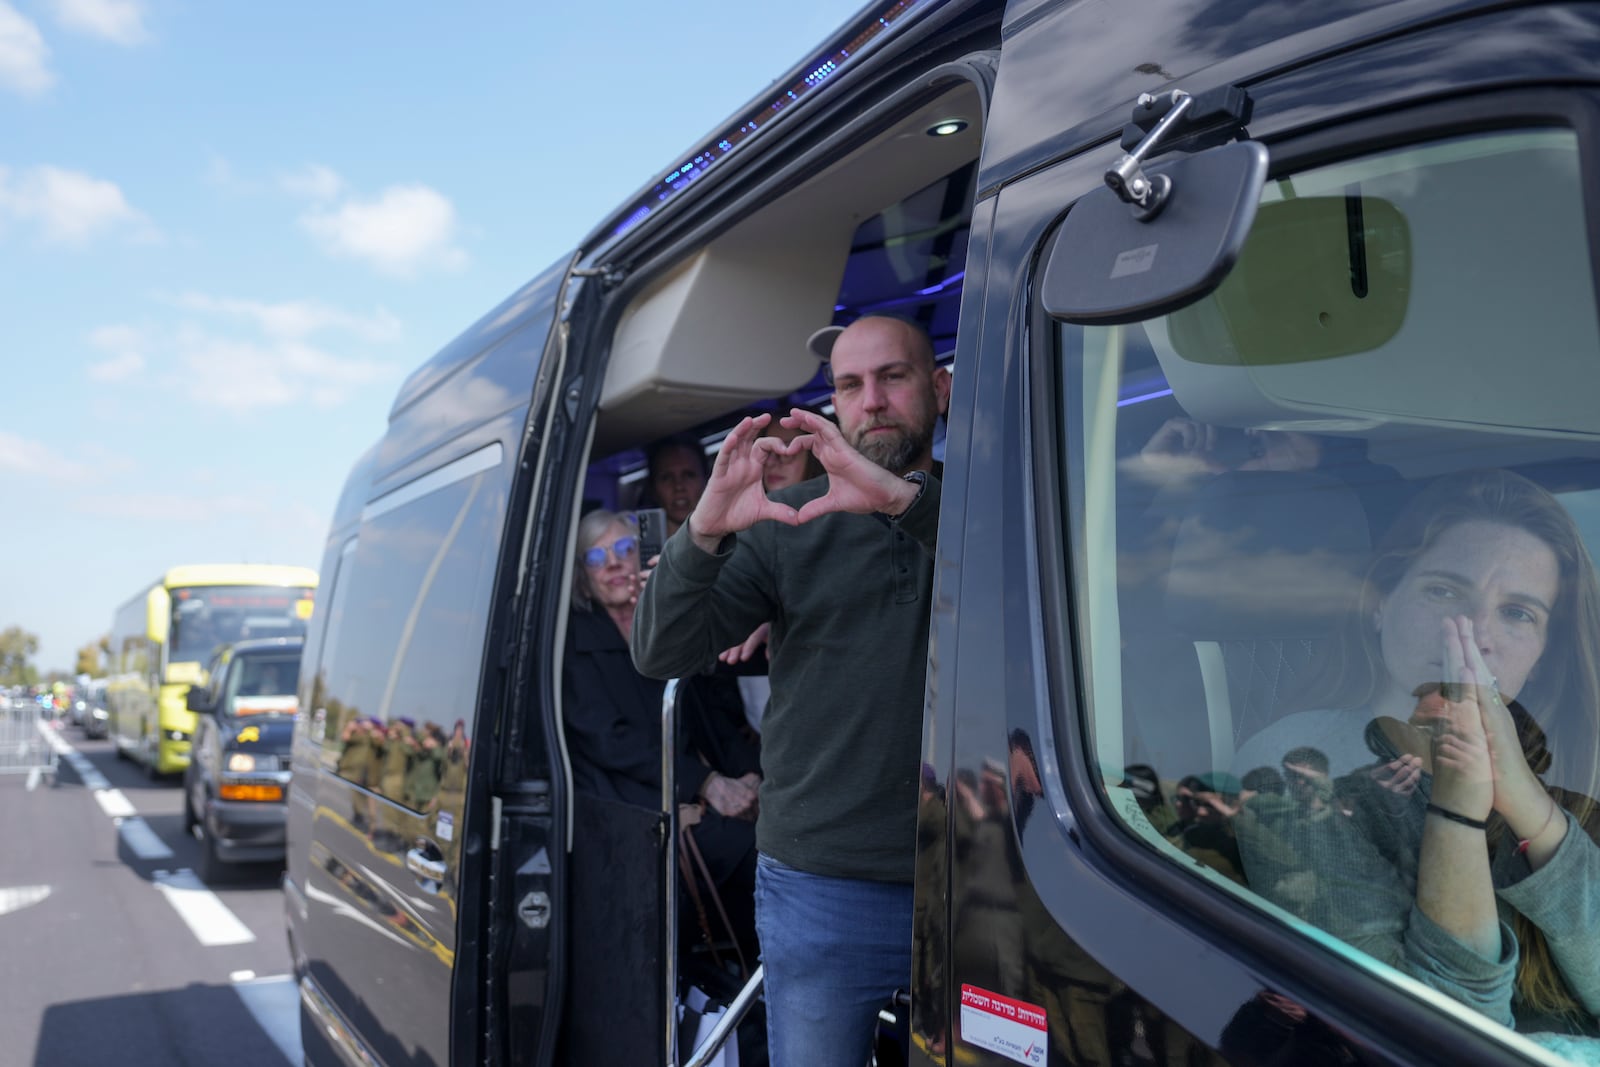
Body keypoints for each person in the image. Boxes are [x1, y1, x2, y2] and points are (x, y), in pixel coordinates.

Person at [632, 314, 952, 1064]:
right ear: (834, 405)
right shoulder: (791, 525)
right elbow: (660, 650)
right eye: (849, 384)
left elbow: (1026, 583)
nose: (869, 400)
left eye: (893, 376)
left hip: (977, 881)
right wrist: (705, 530)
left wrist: (905, 503)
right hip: (820, 882)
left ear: (938, 388)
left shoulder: (992, 510)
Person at [1233, 469, 1600, 1036]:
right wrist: (1458, 809)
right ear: (1382, 601)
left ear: (1543, 653)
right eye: (1445, 591)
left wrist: (1528, 805)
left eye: (1518, 613)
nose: (1477, 634)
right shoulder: (1297, 764)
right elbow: (1440, 1036)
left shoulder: (1569, 767)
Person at [562, 509, 762, 967]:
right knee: (754, 856)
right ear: (583, 575)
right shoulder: (575, 639)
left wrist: (752, 775)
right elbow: (612, 743)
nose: (613, 564)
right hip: (632, 809)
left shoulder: (667, 623)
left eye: (624, 549)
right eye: (597, 556)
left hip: (689, 787)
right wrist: (705, 784)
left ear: (643, 557)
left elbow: (708, 713)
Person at [647, 433, 711, 537]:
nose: (678, 487)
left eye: (689, 475)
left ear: (706, 480)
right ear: (653, 488)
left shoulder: (731, 540)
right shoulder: (635, 548)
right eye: (667, 478)